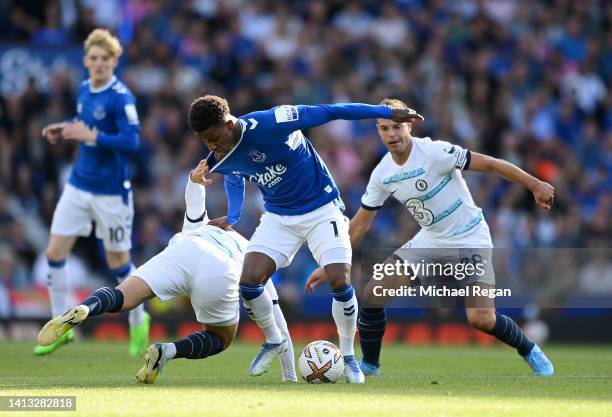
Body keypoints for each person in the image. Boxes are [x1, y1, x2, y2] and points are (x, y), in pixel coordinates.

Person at [306, 98, 555, 377]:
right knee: (374, 292)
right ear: (377, 131)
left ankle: (529, 349)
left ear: (409, 125)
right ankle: (371, 366)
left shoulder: (436, 152)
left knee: (482, 319)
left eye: (397, 127)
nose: (391, 134)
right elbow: (360, 225)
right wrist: (331, 263)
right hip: (431, 240)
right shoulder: (382, 174)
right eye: (384, 128)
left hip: (469, 238)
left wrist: (535, 184)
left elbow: (492, 165)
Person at [187, 95, 423, 383]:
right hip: (278, 218)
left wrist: (386, 111)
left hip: (322, 208)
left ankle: (348, 357)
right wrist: (233, 215)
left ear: (228, 123)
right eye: (205, 141)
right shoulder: (219, 155)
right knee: (248, 281)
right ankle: (274, 340)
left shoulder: (271, 121)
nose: (212, 146)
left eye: (213, 137)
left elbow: (329, 110)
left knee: (339, 278)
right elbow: (234, 176)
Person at [37, 160, 297, 383]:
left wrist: (193, 179)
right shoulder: (253, 250)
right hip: (219, 268)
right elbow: (276, 315)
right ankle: (168, 351)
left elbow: (195, 198)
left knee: (123, 296)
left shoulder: (201, 225)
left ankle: (85, 309)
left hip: (181, 251)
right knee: (220, 337)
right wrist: (290, 375)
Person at [35, 28, 148, 356]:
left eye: (104, 59)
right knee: (54, 253)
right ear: (86, 60)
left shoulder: (122, 97)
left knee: (118, 263)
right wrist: (65, 127)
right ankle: (61, 327)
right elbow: (83, 121)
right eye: (93, 58)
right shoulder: (84, 89)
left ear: (114, 61)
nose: (98, 64)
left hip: (111, 193)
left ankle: (139, 319)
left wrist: (93, 135)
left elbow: (133, 142)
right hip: (78, 185)